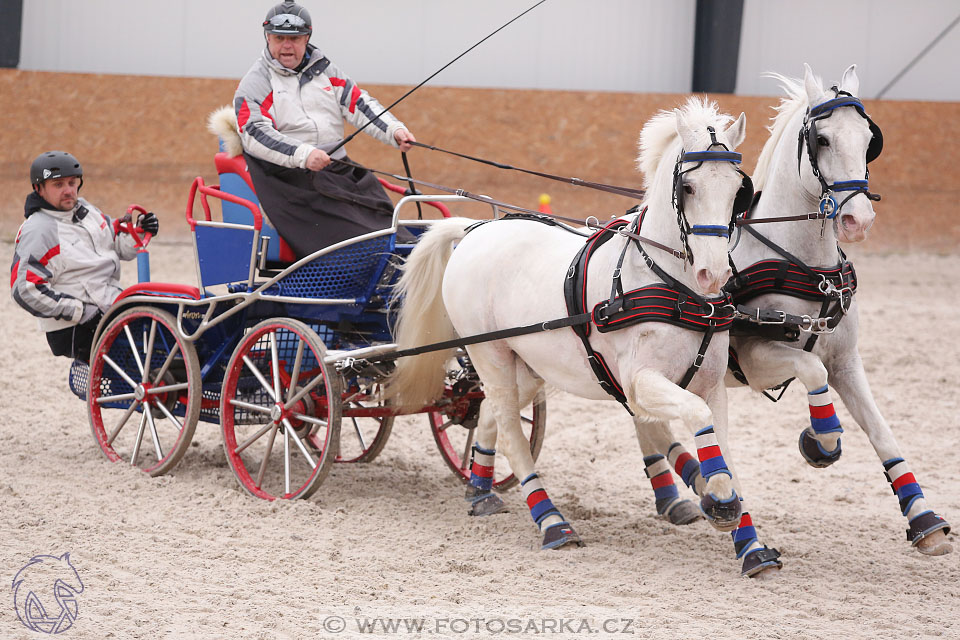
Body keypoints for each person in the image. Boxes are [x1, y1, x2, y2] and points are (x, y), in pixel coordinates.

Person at [234, 1, 417, 259]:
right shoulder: (255, 83)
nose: (287, 45)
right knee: (353, 230)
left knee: (382, 212)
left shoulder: (326, 70)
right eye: (279, 38)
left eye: (295, 38)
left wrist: (395, 131)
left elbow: (359, 104)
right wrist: (304, 154)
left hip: (337, 170)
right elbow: (254, 133)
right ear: (268, 37)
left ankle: (406, 258)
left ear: (307, 37)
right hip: (290, 181)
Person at [9, 151, 160, 363]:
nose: (68, 190)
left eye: (72, 183)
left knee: (171, 323)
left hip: (111, 305)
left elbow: (118, 246)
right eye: (58, 185)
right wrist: (80, 311)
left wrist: (140, 230)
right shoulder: (39, 230)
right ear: (38, 188)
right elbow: (24, 289)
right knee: (155, 352)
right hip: (76, 326)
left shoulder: (86, 210)